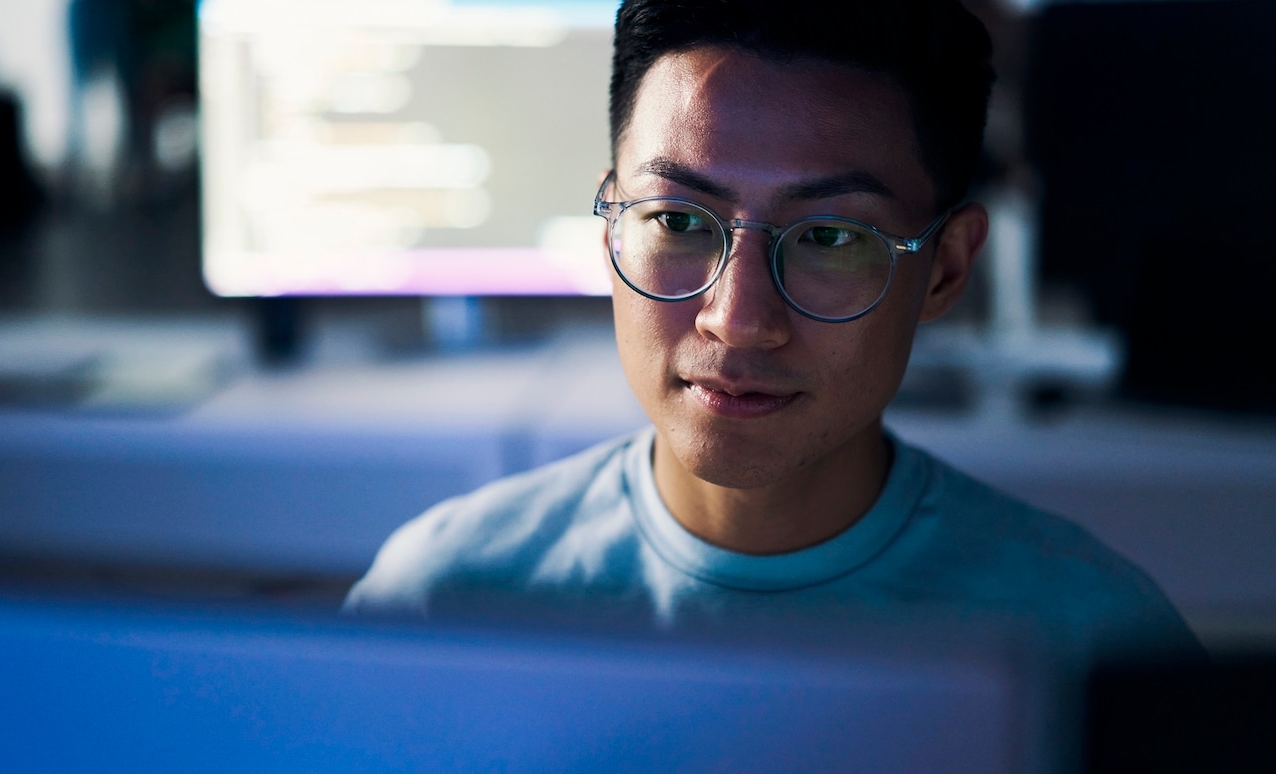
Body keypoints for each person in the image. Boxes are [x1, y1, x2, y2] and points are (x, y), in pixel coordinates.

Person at [345, 0, 1201, 662]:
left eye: (831, 236)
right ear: (610, 223)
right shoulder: (444, 601)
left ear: (944, 268)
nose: (739, 320)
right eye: (678, 221)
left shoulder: (1091, 644)